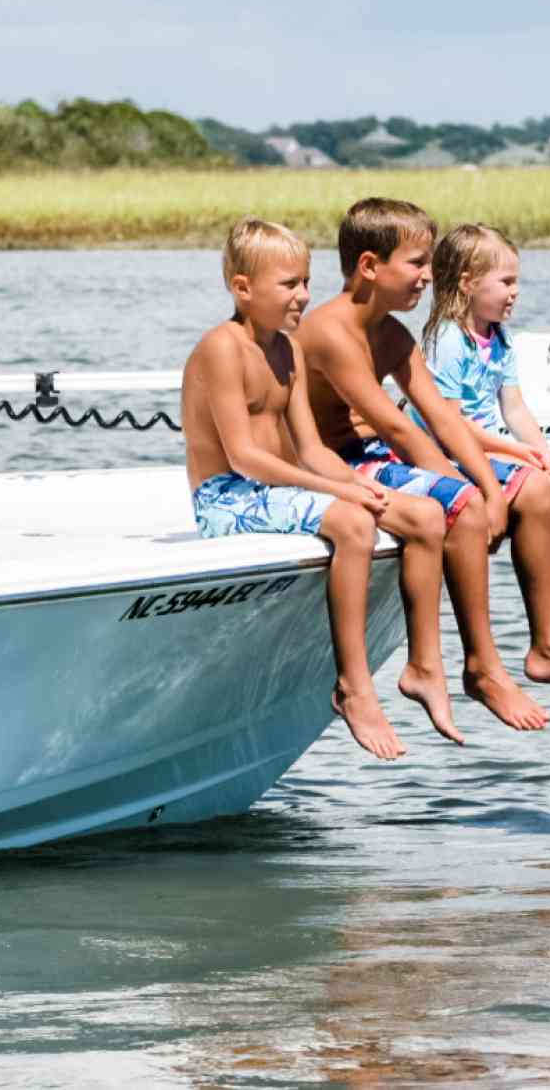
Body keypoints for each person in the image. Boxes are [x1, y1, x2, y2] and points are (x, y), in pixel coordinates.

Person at [298, 197, 550, 730]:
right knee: (463, 506)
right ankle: (481, 667)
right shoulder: (332, 330)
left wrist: (493, 490)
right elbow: (398, 427)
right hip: (336, 463)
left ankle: (549, 646)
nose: (428, 276)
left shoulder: (394, 335)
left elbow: (442, 423)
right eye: (417, 264)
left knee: (535, 491)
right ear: (370, 267)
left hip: (378, 454)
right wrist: (471, 493)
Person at [182, 216, 467, 760]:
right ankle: (354, 687)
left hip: (274, 488)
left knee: (425, 516)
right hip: (226, 496)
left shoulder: (287, 349)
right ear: (243, 288)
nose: (304, 296)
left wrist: (357, 483)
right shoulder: (222, 348)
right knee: (353, 521)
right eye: (289, 284)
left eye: (307, 282)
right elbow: (245, 459)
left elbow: (312, 450)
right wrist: (345, 496)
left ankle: (425, 665)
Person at [420, 223, 550, 654]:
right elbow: (450, 423)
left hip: (497, 444)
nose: (515, 292)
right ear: (468, 283)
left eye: (517, 282)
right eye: (506, 282)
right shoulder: (448, 341)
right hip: (455, 451)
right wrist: (519, 453)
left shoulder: (500, 338)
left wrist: (544, 452)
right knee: (548, 497)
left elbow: (514, 408)